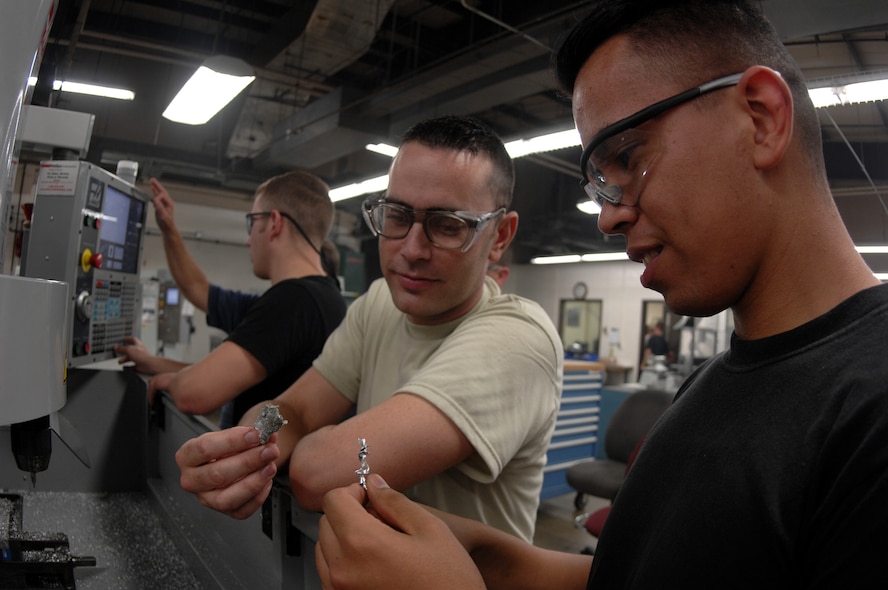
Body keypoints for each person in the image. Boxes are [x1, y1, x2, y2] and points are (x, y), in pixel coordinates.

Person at [314, 1, 888, 588]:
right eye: (599, 180)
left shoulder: (870, 409)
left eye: (629, 158)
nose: (607, 218)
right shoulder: (710, 388)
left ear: (760, 119)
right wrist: (489, 558)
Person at [174, 115, 563, 541]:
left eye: (448, 225)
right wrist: (254, 444)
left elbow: (316, 474)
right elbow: (294, 409)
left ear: (501, 235)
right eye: (397, 215)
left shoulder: (518, 339)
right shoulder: (379, 303)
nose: (412, 250)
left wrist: (311, 447)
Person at [114, 173, 347, 428]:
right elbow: (198, 290)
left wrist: (171, 380)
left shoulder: (293, 302)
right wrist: (169, 228)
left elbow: (195, 391)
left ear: (275, 223)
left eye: (252, 221)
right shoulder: (324, 297)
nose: (248, 239)